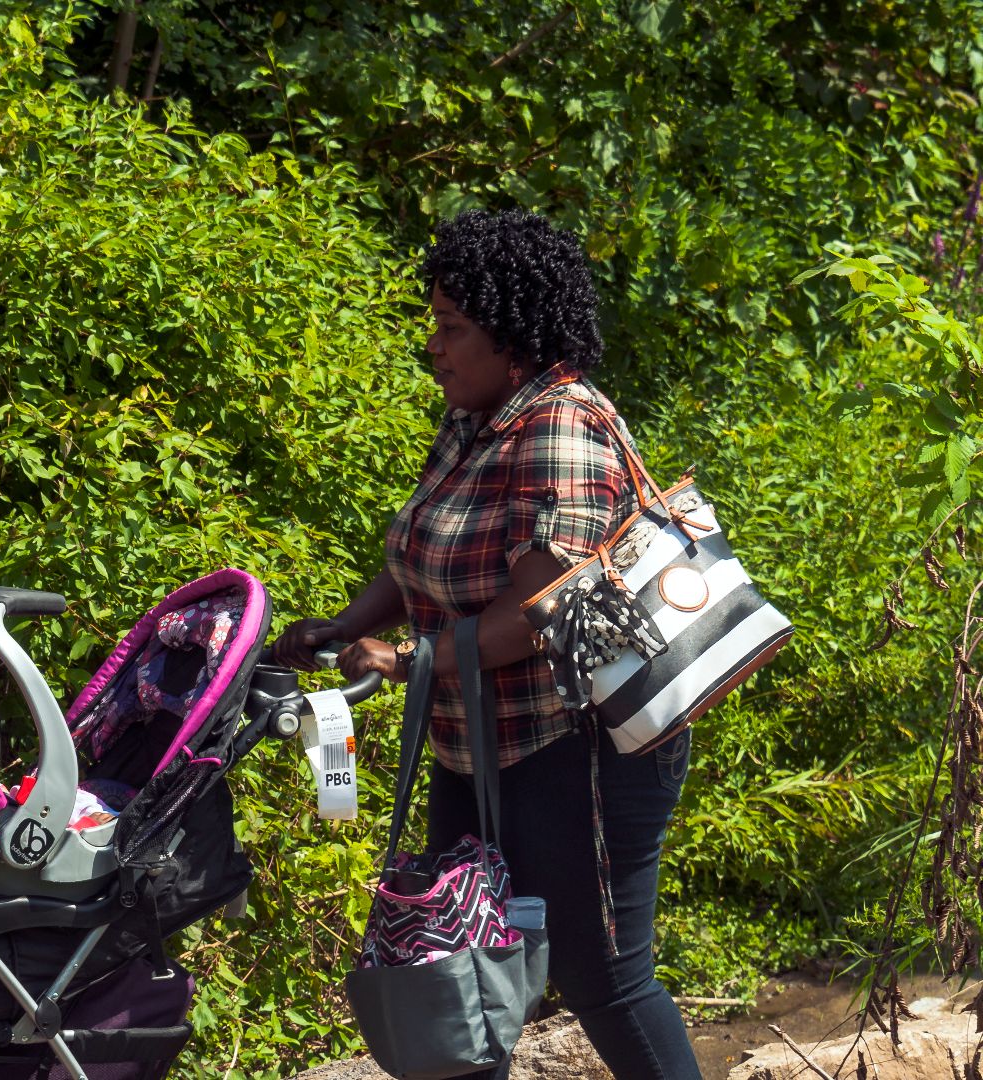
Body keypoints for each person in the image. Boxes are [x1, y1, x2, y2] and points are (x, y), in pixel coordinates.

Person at [273, 209, 698, 1079]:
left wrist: (405, 660)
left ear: (512, 337)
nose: (434, 347)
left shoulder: (562, 426)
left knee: (603, 978)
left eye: (452, 329)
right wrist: (351, 626)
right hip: (477, 746)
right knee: (457, 954)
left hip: (575, 751)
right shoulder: (479, 417)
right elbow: (425, 558)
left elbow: (538, 607)